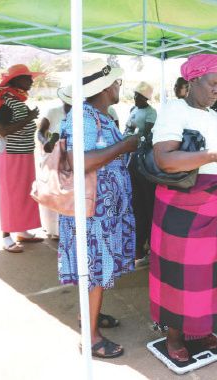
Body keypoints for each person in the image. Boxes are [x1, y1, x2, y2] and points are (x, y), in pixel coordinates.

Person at [149, 53, 217, 362]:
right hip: (183, 205)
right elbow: (165, 159)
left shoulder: (215, 118)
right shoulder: (175, 110)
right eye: (212, 84)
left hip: (216, 206)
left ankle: (199, 328)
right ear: (192, 81)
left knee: (209, 276)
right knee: (179, 275)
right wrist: (212, 155)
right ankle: (174, 337)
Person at [57, 59, 139, 359]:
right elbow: (81, 162)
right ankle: (90, 338)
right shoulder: (85, 118)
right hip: (93, 214)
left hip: (102, 211)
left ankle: (87, 316)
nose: (120, 86)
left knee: (94, 271)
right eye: (117, 82)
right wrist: (125, 146)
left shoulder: (97, 116)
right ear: (105, 87)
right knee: (93, 271)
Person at [0, 64, 45, 252]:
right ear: (15, 80)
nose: (31, 80)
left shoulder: (17, 100)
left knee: (25, 192)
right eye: (27, 77)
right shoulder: (5, 102)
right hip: (11, 156)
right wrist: (28, 118)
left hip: (23, 154)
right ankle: (6, 236)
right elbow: (2, 130)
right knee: (10, 194)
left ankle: (22, 230)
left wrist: (27, 117)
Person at [124, 81, 158, 266]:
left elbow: (146, 134)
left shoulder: (151, 113)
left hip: (143, 161)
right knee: (136, 203)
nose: (135, 98)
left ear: (146, 98)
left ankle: (149, 245)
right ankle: (138, 246)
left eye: (139, 96)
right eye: (135, 94)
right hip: (130, 160)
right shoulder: (133, 109)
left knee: (147, 205)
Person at [35, 86, 73, 239]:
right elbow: (40, 131)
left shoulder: (80, 114)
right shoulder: (53, 112)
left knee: (67, 193)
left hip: (69, 160)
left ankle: (65, 229)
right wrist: (45, 142)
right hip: (53, 158)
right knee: (53, 191)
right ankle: (54, 229)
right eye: (68, 101)